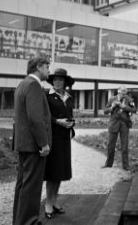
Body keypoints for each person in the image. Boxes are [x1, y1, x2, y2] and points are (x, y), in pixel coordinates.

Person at [13, 57, 52, 225]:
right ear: (38, 67)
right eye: (47, 67)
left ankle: (20, 220)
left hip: (24, 144)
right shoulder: (34, 85)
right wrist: (43, 143)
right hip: (34, 145)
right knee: (32, 187)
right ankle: (29, 221)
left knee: (23, 185)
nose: (49, 71)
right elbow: (35, 118)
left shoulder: (23, 84)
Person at [43, 69, 75, 219]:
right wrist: (57, 121)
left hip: (64, 137)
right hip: (53, 137)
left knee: (61, 171)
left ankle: (54, 201)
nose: (57, 82)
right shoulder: (46, 96)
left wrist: (70, 122)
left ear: (65, 82)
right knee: (52, 172)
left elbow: (69, 114)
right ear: (52, 81)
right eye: (55, 79)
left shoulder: (69, 97)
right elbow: (43, 116)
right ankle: (48, 203)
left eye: (60, 80)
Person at [103, 85, 136, 170]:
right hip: (113, 124)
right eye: (123, 91)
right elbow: (105, 111)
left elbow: (134, 110)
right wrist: (112, 107)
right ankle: (108, 164)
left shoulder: (129, 99)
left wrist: (124, 107)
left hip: (124, 124)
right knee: (111, 145)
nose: (124, 93)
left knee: (124, 146)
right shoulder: (112, 99)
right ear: (118, 91)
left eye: (125, 91)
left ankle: (125, 166)